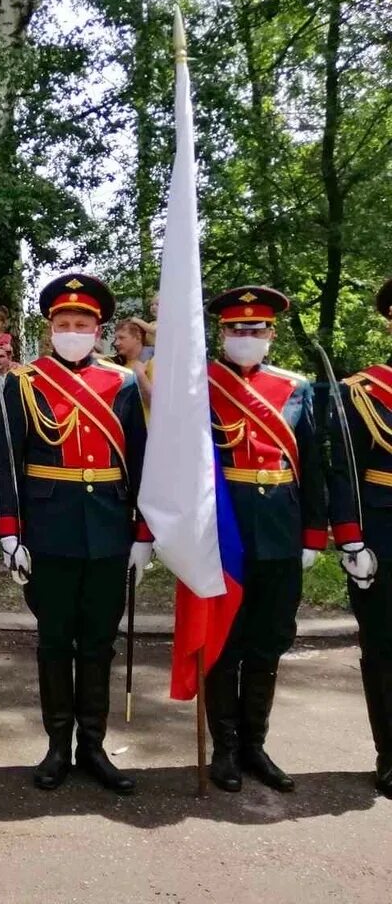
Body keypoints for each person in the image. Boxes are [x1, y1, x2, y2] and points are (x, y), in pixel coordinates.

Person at [0, 274, 151, 795]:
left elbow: (141, 461)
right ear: (50, 327)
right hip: (49, 531)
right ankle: (58, 745)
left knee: (99, 644)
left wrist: (143, 531)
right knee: (55, 643)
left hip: (108, 530)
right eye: (63, 323)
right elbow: (9, 462)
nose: (72, 330)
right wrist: (10, 534)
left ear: (99, 328)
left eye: (81, 324)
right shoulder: (23, 382)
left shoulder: (123, 383)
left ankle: (94, 746)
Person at [203, 286, 326, 794]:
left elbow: (316, 466)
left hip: (281, 532)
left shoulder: (298, 390)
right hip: (224, 534)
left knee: (267, 644)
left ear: (271, 335)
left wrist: (314, 534)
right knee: (223, 645)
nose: (245, 338)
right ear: (222, 334)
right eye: (236, 330)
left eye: (254, 330)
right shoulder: (202, 385)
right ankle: (225, 749)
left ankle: (256, 745)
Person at [328, 276, 392, 799]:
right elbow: (343, 473)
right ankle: (391, 753)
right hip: (383, 532)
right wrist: (350, 540)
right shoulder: (362, 392)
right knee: (385, 647)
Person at [113, 317, 154, 409]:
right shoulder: (116, 365)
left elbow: (157, 405)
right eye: (115, 339)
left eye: (121, 338)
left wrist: (140, 376)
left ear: (138, 337)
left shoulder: (154, 363)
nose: (116, 343)